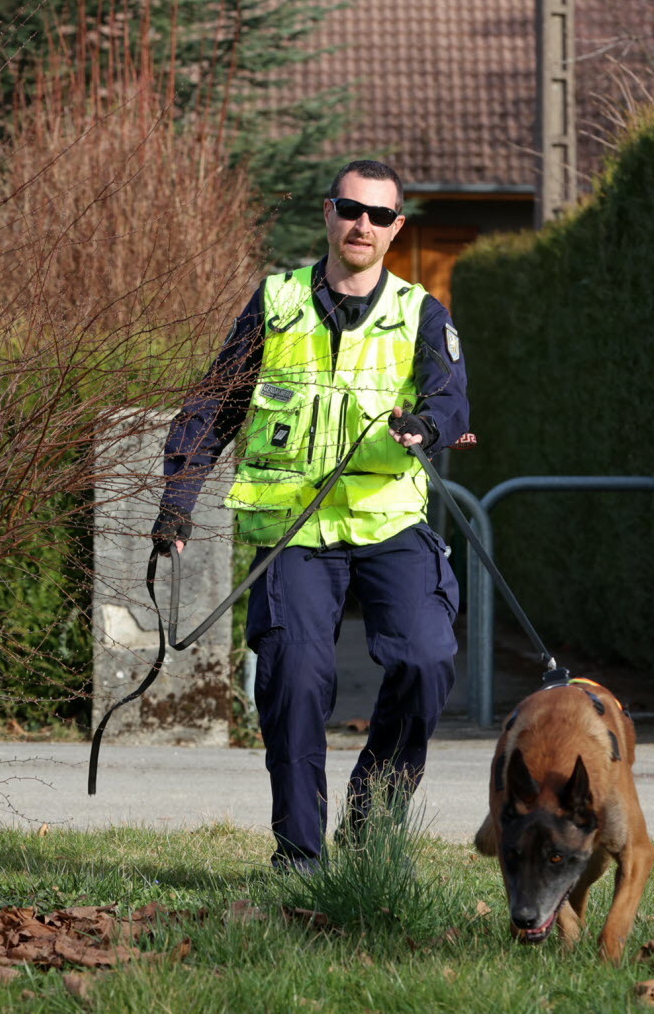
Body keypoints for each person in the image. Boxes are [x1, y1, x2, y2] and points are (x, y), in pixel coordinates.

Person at [152, 159, 469, 871]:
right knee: (294, 676)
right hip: (293, 531)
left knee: (426, 656)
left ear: (397, 230)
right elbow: (214, 406)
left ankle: (373, 816)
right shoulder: (276, 301)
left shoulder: (421, 312)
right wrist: (177, 504)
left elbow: (451, 399)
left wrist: (427, 424)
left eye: (379, 216)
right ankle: (299, 859)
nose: (363, 225)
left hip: (388, 520)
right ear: (328, 214)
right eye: (351, 210)